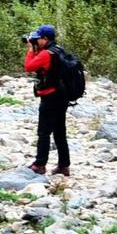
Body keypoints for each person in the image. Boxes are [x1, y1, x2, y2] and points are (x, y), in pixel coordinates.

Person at [23, 25, 71, 177]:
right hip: (62, 95)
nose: (36, 40)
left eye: (39, 38)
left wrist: (30, 50)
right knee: (59, 132)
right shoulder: (58, 49)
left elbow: (29, 67)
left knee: (43, 132)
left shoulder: (46, 54)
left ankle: (40, 164)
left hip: (50, 96)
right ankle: (64, 166)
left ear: (45, 39)